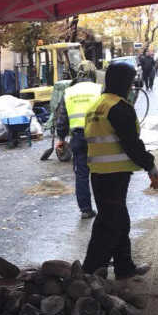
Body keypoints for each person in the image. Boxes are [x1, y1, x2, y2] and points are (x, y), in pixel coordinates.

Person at [82, 62, 158, 279]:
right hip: (114, 175)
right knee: (108, 225)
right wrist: (151, 167)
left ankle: (124, 267)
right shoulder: (118, 107)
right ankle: (89, 273)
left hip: (99, 173)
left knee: (118, 220)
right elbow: (131, 143)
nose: (132, 84)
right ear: (125, 82)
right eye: (131, 80)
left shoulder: (96, 105)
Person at [55, 60, 101, 219]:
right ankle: (105, 206)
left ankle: (86, 209)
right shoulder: (99, 89)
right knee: (100, 172)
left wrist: (61, 138)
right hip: (98, 136)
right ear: (93, 73)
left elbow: (61, 118)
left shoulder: (69, 92)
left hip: (78, 137)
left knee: (81, 174)